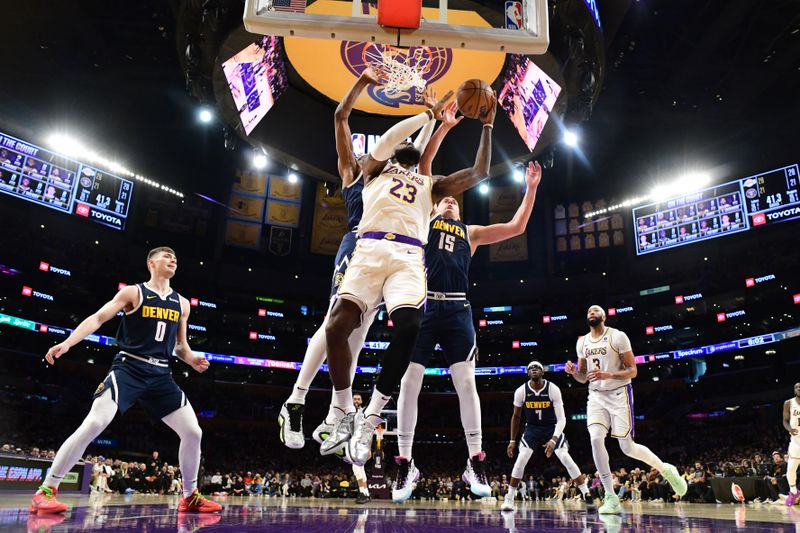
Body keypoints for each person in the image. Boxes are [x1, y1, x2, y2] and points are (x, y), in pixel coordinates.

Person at [321, 76, 496, 467]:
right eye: (406, 144)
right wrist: (426, 116)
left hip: (407, 255)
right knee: (336, 327)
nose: (406, 146)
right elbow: (384, 135)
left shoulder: (431, 184)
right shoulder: (373, 168)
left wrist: (487, 124)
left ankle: (371, 416)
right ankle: (343, 408)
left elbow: (480, 172)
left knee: (410, 327)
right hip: (368, 248)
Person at [279, 67, 436, 450]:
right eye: (368, 156)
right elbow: (340, 117)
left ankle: (336, 412)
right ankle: (298, 399)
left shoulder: (394, 178)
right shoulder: (354, 174)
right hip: (358, 245)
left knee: (360, 334)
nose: (372, 156)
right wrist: (363, 84)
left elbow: (415, 154)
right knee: (335, 322)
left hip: (393, 252)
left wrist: (433, 121)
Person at [393, 110, 543, 502]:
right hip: (424, 307)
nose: (446, 201)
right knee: (409, 383)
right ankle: (405, 464)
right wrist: (443, 126)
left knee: (466, 385)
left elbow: (515, 229)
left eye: (452, 202)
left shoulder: (470, 233)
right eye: (441, 199)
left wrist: (530, 190)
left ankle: (474, 462)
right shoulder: (424, 220)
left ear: (459, 209)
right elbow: (425, 167)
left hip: (458, 310)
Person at [28, 247, 221, 514]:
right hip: (129, 368)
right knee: (95, 422)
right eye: (167, 256)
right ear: (152, 263)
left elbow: (181, 347)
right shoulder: (134, 292)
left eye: (175, 257)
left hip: (161, 375)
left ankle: (190, 497)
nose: (173, 259)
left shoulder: (183, 303)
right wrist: (68, 343)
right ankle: (46, 491)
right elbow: (98, 317)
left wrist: (191, 360)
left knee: (193, 432)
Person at [565, 305, 687, 514]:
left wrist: (608, 375)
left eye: (596, 311)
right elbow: (583, 377)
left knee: (627, 447)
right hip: (595, 396)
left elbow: (633, 370)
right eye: (588, 312)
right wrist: (574, 372)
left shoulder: (618, 337)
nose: (591, 312)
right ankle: (610, 496)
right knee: (595, 439)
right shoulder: (582, 342)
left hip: (619, 393)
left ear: (604, 316)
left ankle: (665, 469)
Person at [500, 361, 594, 512]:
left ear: (543, 372)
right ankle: (509, 498)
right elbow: (516, 416)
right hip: (532, 429)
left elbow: (562, 419)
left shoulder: (553, 389)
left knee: (565, 457)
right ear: (527, 373)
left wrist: (554, 439)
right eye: (531, 368)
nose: (534, 370)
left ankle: (586, 494)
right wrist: (512, 440)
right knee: (522, 457)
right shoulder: (521, 391)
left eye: (537, 367)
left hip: (552, 428)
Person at [783, 382, 800, 506]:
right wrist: (789, 429)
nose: (799, 388)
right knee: (790, 470)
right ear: (794, 390)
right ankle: (794, 491)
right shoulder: (789, 403)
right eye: (796, 387)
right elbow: (784, 420)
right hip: (795, 441)